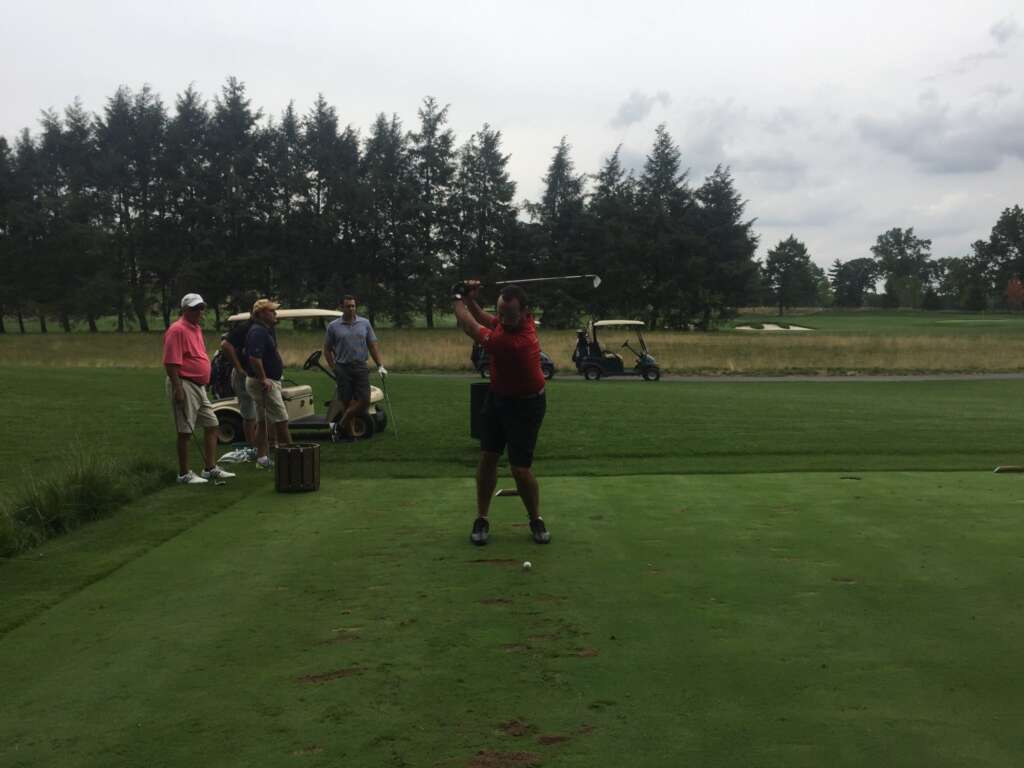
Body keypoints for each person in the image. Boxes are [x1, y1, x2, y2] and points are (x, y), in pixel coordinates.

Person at [452, 280, 550, 545]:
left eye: (509, 315)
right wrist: (471, 300)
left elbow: (470, 326)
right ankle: (482, 518)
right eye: (501, 313)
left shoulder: (514, 341)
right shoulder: (511, 323)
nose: (503, 320)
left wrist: (457, 297)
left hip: (526, 406)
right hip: (497, 399)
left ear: (525, 312)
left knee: (520, 469)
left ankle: (535, 518)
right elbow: (487, 319)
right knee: (488, 458)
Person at [162, 293, 237, 485]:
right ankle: (184, 474)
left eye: (201, 308)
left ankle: (209, 469)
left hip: (198, 386)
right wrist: (178, 388)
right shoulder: (177, 330)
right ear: (185, 310)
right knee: (185, 431)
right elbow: (170, 363)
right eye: (195, 308)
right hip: (184, 383)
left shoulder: (195, 328)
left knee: (212, 424)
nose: (199, 312)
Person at [322, 295, 387, 440]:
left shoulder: (364, 323)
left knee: (364, 401)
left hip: (360, 367)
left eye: (353, 306)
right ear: (341, 307)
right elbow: (327, 349)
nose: (351, 309)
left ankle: (340, 425)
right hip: (342, 368)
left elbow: (372, 345)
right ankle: (350, 435)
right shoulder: (333, 326)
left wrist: (380, 365)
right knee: (347, 402)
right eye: (348, 306)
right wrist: (333, 368)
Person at [244, 298, 292, 468]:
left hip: (266, 381)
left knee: (263, 421)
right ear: (261, 314)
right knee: (282, 419)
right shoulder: (258, 332)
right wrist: (264, 378)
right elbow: (254, 358)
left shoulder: (266, 329)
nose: (275, 313)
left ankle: (262, 458)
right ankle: (292, 456)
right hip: (263, 383)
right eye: (271, 311)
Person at [219, 314, 257, 460]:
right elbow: (225, 345)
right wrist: (239, 368)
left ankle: (262, 445)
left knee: (259, 413)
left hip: (257, 376)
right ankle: (252, 447)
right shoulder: (245, 328)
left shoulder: (265, 328)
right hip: (244, 375)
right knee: (249, 412)